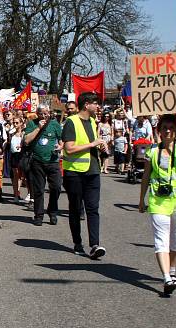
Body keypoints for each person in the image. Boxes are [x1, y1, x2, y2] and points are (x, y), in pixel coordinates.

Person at [139, 114, 176, 296]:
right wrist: (141, 199)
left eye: (171, 128)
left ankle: (172, 271)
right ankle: (166, 278)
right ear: (159, 130)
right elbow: (146, 177)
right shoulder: (153, 151)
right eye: (164, 128)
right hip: (159, 201)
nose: (167, 131)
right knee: (161, 240)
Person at [61, 92, 106, 259]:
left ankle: (95, 244)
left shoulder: (93, 121)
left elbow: (91, 145)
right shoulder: (71, 122)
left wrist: (100, 147)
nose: (98, 106)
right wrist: (92, 144)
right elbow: (69, 148)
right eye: (95, 103)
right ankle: (77, 242)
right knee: (75, 208)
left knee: (93, 208)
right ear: (87, 105)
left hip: (93, 170)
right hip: (75, 173)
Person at [24, 104, 63, 226]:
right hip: (37, 161)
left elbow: (62, 141)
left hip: (53, 161)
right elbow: (26, 140)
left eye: (46, 113)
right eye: (41, 113)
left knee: (56, 187)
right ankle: (38, 215)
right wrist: (38, 128)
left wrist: (60, 146)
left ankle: (52, 211)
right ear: (37, 113)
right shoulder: (32, 123)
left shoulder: (55, 124)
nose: (44, 116)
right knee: (39, 190)